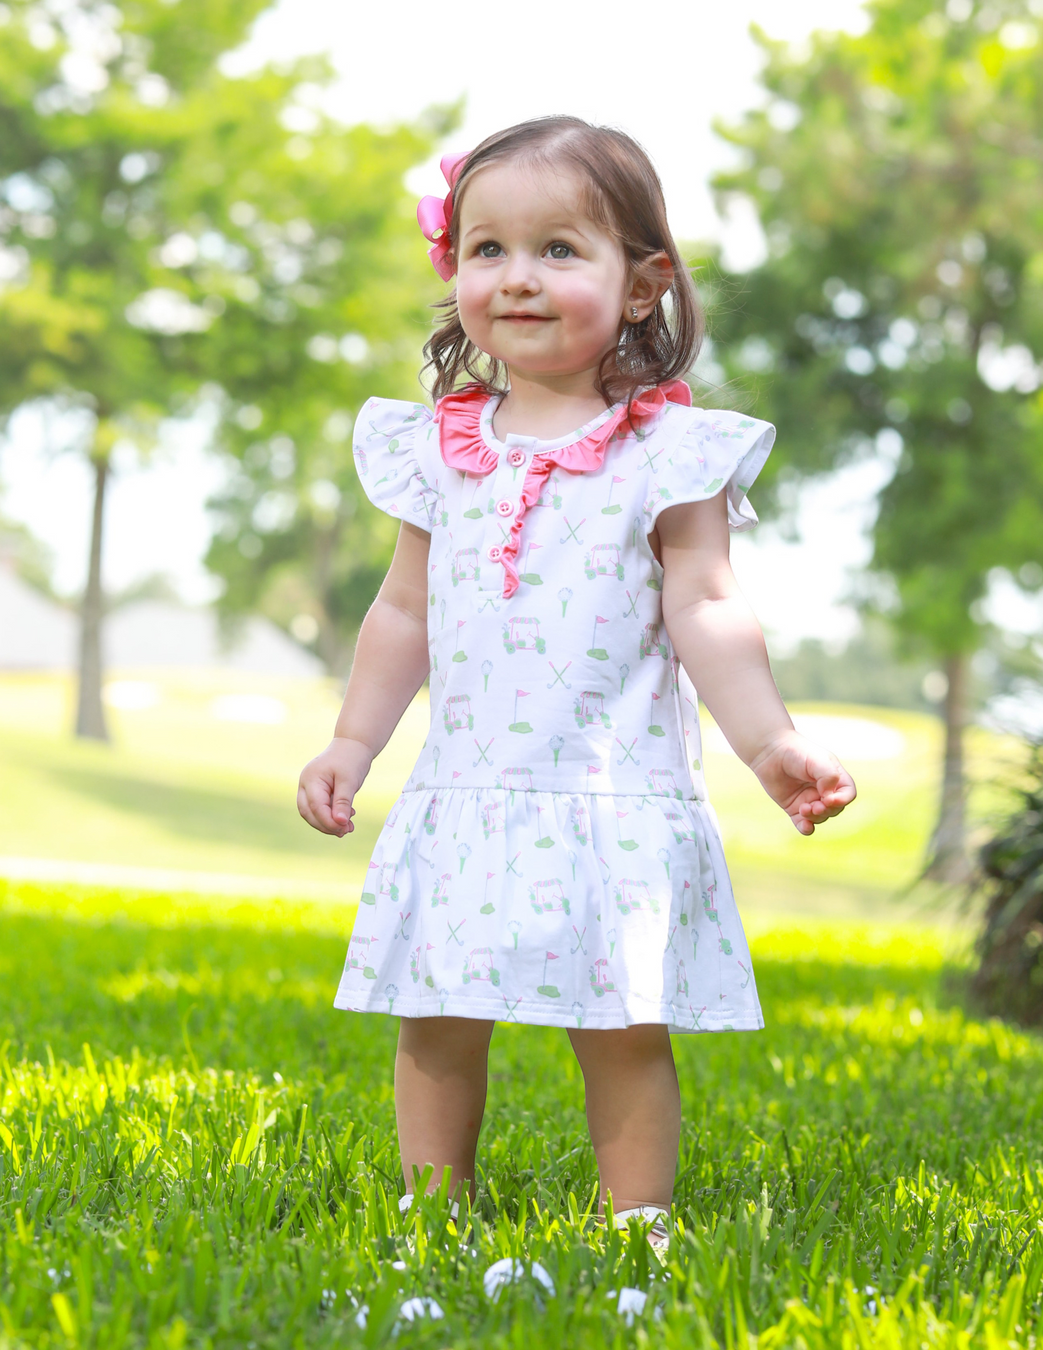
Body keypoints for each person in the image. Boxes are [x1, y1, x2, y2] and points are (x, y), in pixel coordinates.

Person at [297, 116, 856, 1247]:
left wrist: (770, 746)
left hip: (609, 794)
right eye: (486, 249)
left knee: (623, 1024)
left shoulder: (669, 453)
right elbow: (404, 610)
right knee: (438, 1013)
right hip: (466, 792)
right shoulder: (436, 446)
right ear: (452, 270)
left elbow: (706, 605)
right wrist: (353, 743)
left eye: (560, 249)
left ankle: (636, 1225)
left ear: (644, 283)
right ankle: (432, 1212)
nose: (516, 278)